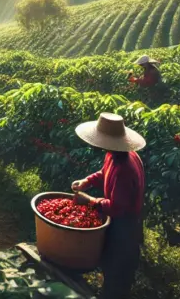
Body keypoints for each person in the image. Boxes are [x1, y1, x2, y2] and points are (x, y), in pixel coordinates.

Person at [71, 112, 146, 299]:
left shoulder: (124, 170)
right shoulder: (117, 155)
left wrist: (89, 200)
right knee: (111, 263)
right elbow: (105, 172)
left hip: (125, 224)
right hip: (122, 220)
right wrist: (86, 181)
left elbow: (116, 208)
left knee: (117, 269)